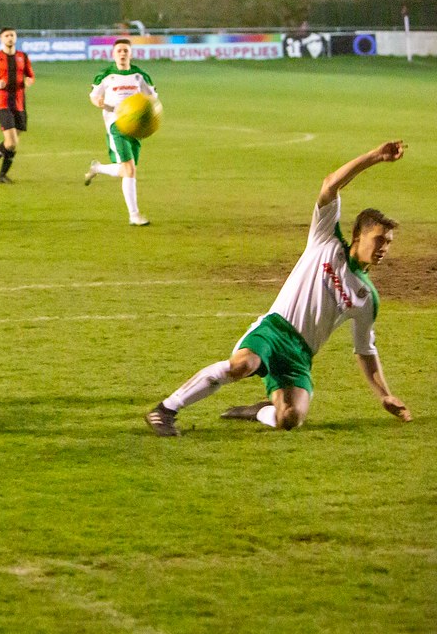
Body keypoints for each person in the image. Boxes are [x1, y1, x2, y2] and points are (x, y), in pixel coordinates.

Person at [145, 141, 412, 437]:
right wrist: (375, 156)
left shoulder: (366, 297)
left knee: (291, 418)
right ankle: (165, 410)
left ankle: (260, 410)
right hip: (274, 330)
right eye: (379, 239)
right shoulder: (326, 240)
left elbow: (365, 350)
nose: (384, 248)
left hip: (300, 354)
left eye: (388, 242)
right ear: (358, 236)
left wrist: (384, 394)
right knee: (242, 366)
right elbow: (330, 185)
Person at [84, 38, 157, 226]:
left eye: (125, 50)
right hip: (116, 125)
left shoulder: (140, 76)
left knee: (127, 170)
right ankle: (134, 215)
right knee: (130, 169)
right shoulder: (105, 75)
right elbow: (94, 96)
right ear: (113, 54)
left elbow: (152, 99)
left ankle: (97, 168)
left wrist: (150, 114)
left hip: (136, 127)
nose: (122, 54)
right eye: (119, 51)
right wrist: (98, 102)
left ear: (130, 53)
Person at [0, 27, 34, 184]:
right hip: (3, 102)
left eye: (12, 35)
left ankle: (2, 175)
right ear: (1, 39)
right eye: (6, 36)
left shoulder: (23, 56)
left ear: (16, 37)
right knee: (11, 143)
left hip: (20, 103)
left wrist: (29, 81)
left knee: (13, 143)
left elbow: (30, 75)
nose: (10, 38)